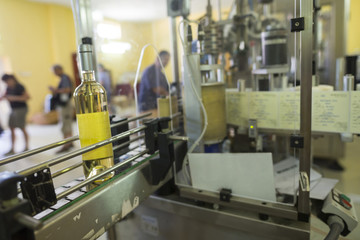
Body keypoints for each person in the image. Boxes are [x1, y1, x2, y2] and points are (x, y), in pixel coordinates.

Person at [0, 74, 30, 155]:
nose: (7, 83)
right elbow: (3, 96)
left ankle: (26, 147)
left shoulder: (19, 86)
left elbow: (27, 97)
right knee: (11, 128)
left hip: (21, 109)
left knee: (22, 127)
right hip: (13, 109)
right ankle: (12, 148)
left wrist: (13, 98)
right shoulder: (8, 88)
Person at [49, 65, 74, 153]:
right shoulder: (65, 78)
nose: (54, 73)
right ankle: (70, 142)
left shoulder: (64, 78)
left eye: (54, 71)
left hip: (65, 104)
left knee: (64, 124)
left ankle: (66, 144)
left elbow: (67, 90)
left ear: (59, 70)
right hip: (65, 103)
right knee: (67, 124)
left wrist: (56, 90)